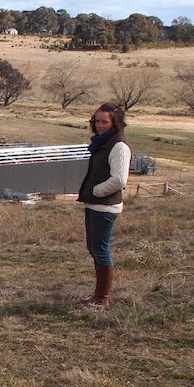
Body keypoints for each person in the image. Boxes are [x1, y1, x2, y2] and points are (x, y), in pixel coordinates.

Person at [77, 102, 131, 309]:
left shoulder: (118, 146)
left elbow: (119, 180)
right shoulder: (103, 143)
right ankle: (101, 296)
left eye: (105, 122)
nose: (100, 125)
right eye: (97, 121)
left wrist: (96, 191)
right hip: (95, 205)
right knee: (94, 248)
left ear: (115, 123)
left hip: (105, 206)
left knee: (100, 250)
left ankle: (101, 298)